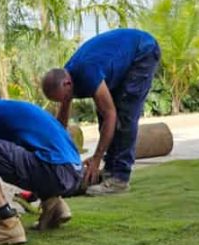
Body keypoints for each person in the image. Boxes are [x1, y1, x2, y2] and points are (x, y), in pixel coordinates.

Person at [0, 84, 81, 245]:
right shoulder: (17, 110)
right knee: (28, 153)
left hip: (54, 169)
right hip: (75, 172)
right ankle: (56, 207)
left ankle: (8, 223)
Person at [42, 29, 161, 196]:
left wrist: (96, 158)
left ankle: (119, 179)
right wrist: (59, 155)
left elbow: (110, 115)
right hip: (122, 59)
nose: (65, 101)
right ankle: (110, 171)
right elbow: (61, 123)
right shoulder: (66, 78)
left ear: (67, 84)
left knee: (124, 115)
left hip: (142, 51)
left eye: (64, 98)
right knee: (104, 114)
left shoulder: (86, 73)